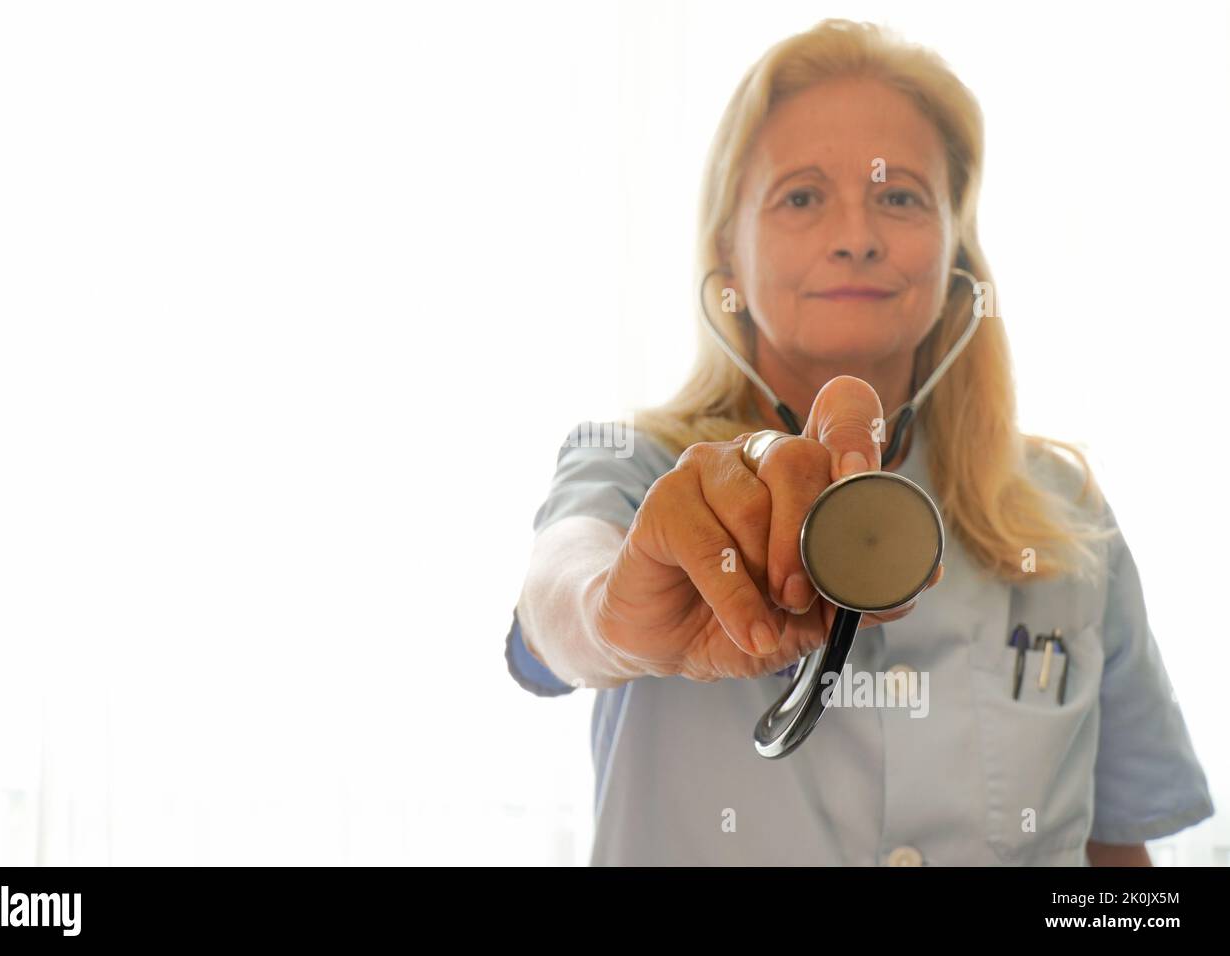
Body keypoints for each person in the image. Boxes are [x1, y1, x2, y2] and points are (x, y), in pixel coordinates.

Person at [505, 19, 1214, 865]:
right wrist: (611, 613)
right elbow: (558, 601)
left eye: (901, 195)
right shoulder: (632, 463)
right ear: (727, 256)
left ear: (958, 253)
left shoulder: (1066, 513)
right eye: (801, 196)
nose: (856, 234)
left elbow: (1116, 859)